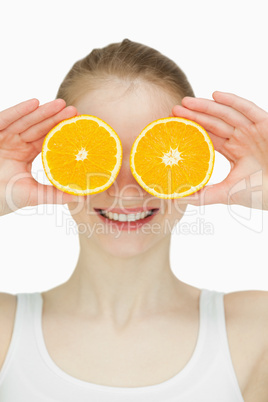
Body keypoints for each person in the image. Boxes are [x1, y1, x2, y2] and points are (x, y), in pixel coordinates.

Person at [0, 39, 267, 402]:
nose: (126, 189)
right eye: (97, 158)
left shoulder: (255, 328)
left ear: (193, 161)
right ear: (57, 163)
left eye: (153, 158)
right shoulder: (6, 332)